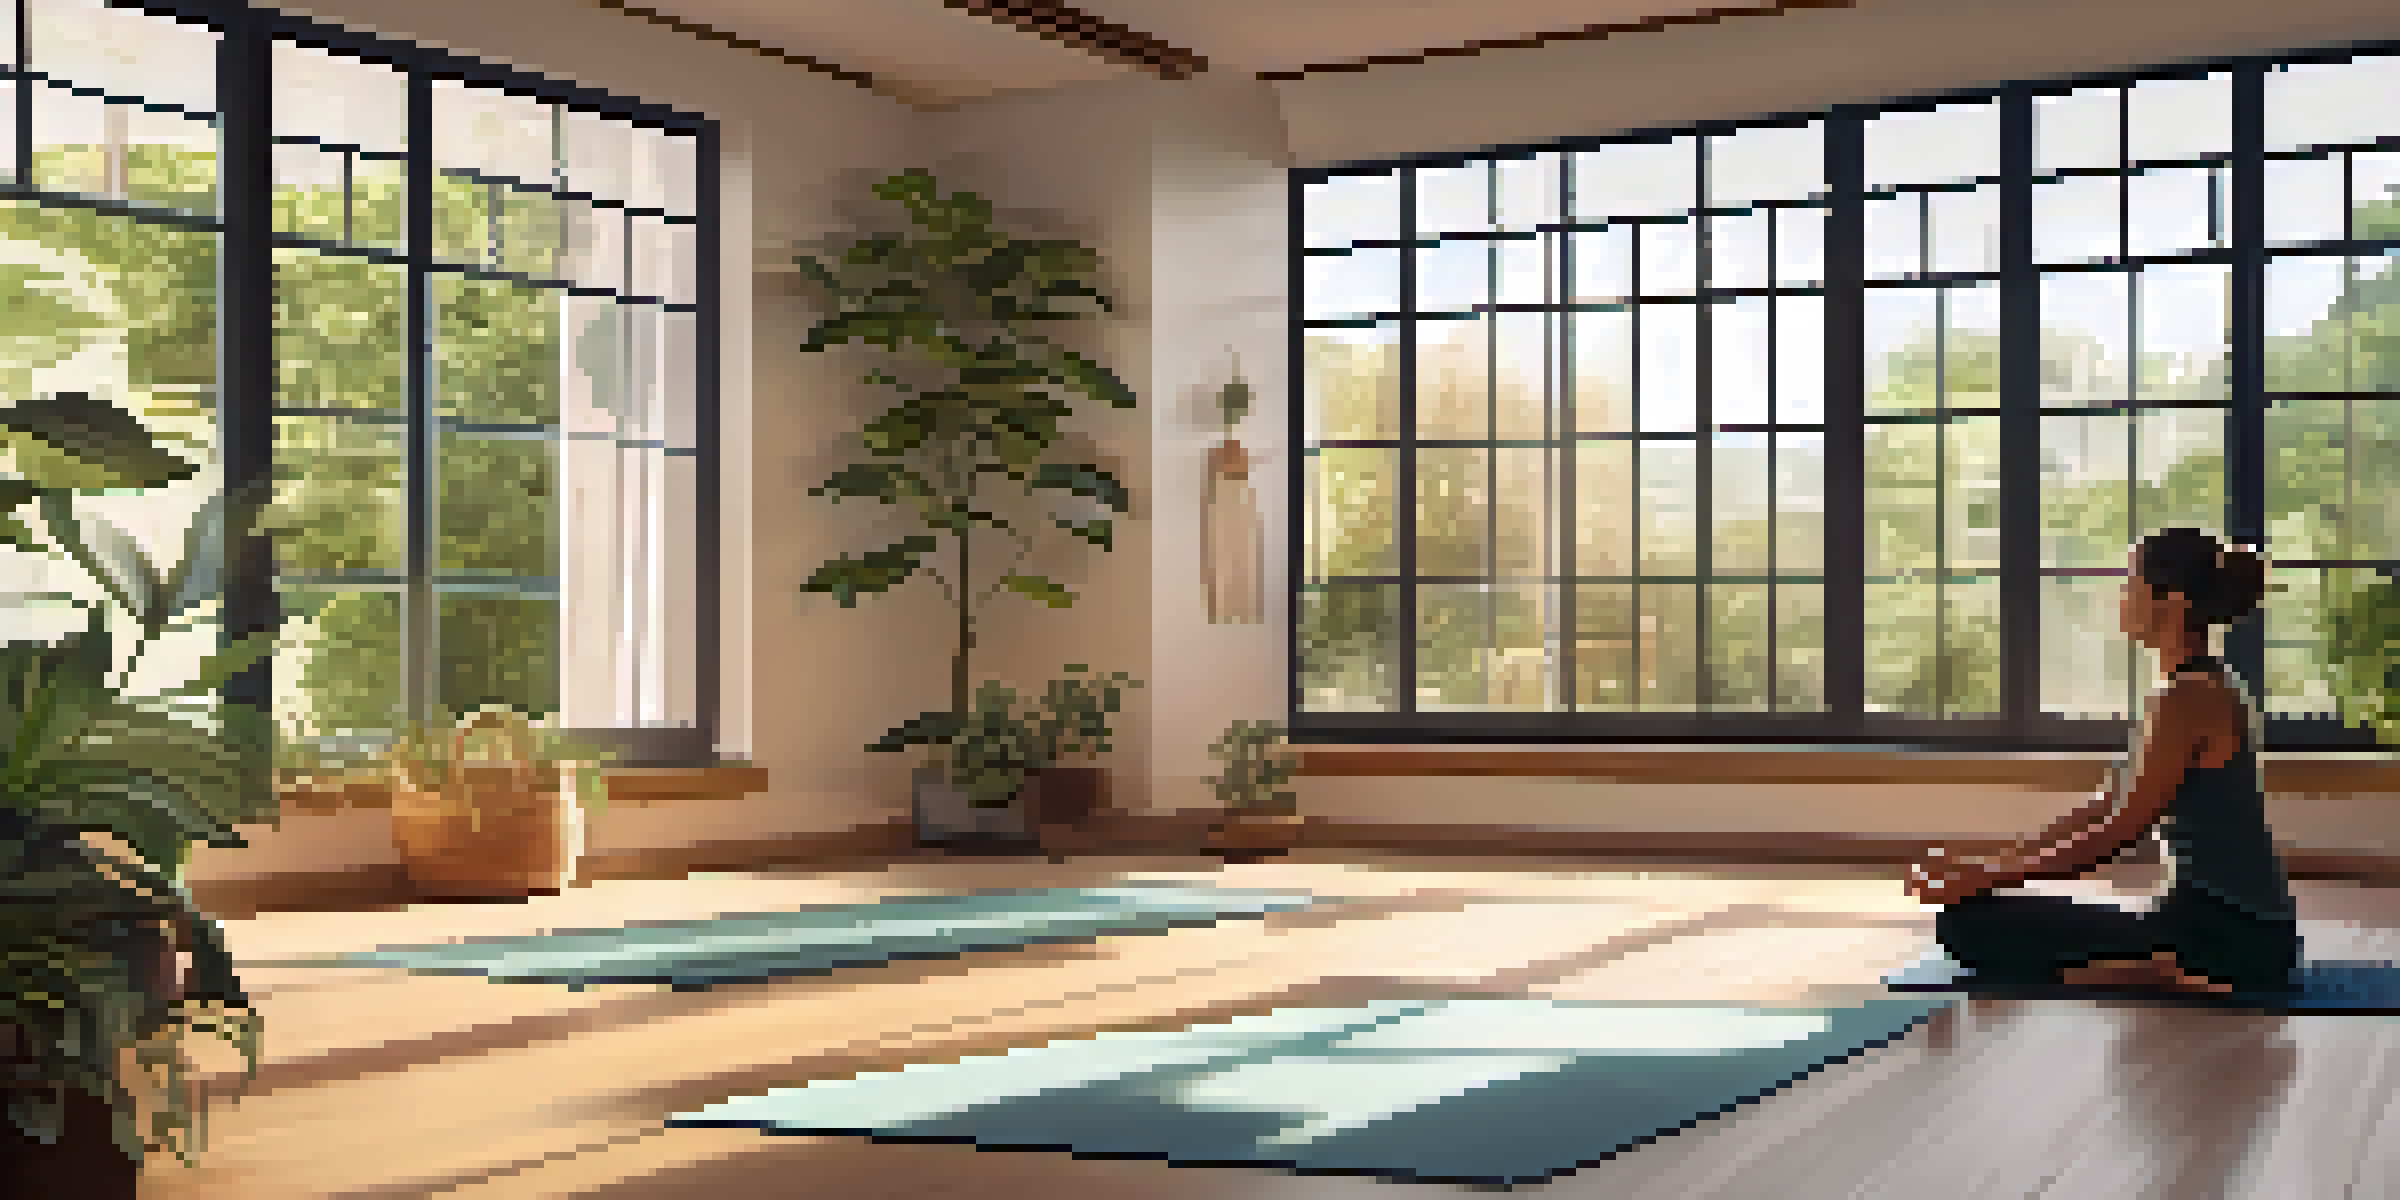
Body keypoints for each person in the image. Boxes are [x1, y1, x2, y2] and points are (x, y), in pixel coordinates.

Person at [1905, 528, 2300, 996]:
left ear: (2171, 602)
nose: (2120, 597)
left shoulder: (2189, 699)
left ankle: (2162, 966)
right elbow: (2104, 806)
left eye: (2130, 582)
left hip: (2232, 936)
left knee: (1968, 929)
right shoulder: (2187, 689)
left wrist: (1983, 876)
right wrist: (1987, 863)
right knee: (1972, 916)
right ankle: (2148, 961)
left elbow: (2117, 834)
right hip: (2221, 923)